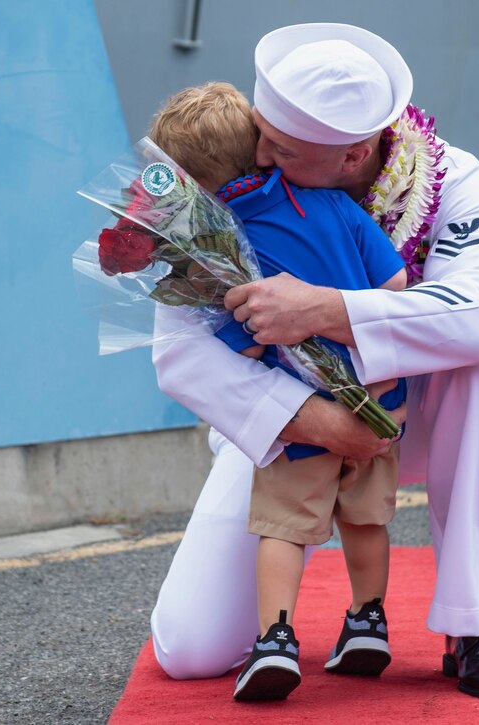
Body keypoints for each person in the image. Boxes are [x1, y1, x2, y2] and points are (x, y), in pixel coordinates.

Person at [150, 23, 479, 699]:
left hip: (413, 412)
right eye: (261, 130)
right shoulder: (238, 181)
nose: (258, 154)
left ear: (354, 155)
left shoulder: (452, 179)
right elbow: (178, 351)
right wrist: (318, 421)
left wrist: (326, 310)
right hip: (288, 421)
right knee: (189, 647)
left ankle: (475, 623)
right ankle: (281, 630)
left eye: (281, 148)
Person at [149, 81, 408, 701]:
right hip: (359, 406)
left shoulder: (225, 241)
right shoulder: (329, 207)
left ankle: (279, 638)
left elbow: (248, 342)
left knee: (282, 526)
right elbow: (399, 285)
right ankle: (369, 621)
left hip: (320, 423)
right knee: (364, 520)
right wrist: (353, 382)